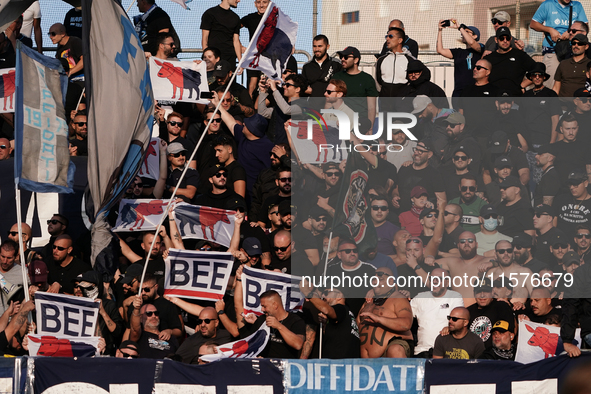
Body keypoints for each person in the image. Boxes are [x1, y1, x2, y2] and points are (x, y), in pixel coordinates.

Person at [357, 268, 414, 358]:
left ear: (390, 281)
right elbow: (357, 326)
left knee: (395, 349)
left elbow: (406, 324)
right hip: (368, 362)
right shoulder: (368, 300)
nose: (375, 282)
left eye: (380, 279)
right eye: (374, 279)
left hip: (392, 350)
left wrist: (379, 319)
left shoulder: (399, 298)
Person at [531, 0, 588, 89]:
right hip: (552, 49)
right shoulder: (547, 4)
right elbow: (533, 24)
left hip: (572, 50)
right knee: (551, 84)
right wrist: (550, 30)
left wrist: (569, 32)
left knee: (572, 83)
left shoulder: (577, 5)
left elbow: (585, 26)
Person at [410, 267, 464, 358]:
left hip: (446, 352)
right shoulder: (420, 297)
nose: (435, 282)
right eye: (432, 279)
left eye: (439, 279)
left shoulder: (455, 297)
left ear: (447, 282)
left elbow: (459, 320)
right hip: (422, 351)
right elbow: (404, 316)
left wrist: (449, 327)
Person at [239, 290, 305, 358]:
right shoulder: (262, 319)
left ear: (275, 305)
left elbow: (298, 345)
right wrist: (255, 356)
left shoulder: (295, 321)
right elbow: (250, 342)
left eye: (264, 306)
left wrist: (279, 326)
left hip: (285, 366)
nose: (262, 309)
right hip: (264, 365)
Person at [299, 285, 360, 359]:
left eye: (326, 292)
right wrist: (325, 325)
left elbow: (326, 309)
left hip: (338, 364)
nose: (323, 295)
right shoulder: (347, 314)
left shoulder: (341, 308)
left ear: (338, 296)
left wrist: (308, 293)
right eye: (322, 293)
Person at [435, 231, 491, 306]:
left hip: (478, 310)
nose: (466, 244)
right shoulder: (452, 262)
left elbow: (503, 260)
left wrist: (492, 263)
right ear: (458, 245)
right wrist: (430, 257)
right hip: (457, 310)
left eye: (470, 241)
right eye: (462, 241)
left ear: (476, 244)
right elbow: (431, 263)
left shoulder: (486, 260)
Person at [436, 20, 482, 102]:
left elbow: (472, 43)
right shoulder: (459, 52)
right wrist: (440, 30)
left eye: (467, 32)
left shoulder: (481, 49)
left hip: (474, 91)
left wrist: (460, 27)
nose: (462, 33)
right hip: (459, 92)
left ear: (475, 36)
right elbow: (440, 50)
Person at [484, 26, 536, 96]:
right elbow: (479, 75)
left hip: (515, 97)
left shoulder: (519, 55)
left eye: (507, 38)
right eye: (501, 38)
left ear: (511, 39)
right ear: (496, 40)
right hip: (494, 98)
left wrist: (522, 85)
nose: (505, 41)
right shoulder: (489, 58)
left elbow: (538, 70)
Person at [333, 46, 378, 125]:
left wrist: (370, 128)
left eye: (346, 57)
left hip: (360, 123)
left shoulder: (367, 79)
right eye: (341, 57)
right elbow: (329, 101)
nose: (342, 59)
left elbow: (371, 108)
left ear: (356, 60)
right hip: (339, 122)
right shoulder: (337, 77)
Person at [486, 240, 534, 305]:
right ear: (495, 254)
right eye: (501, 251)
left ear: (513, 253)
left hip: (517, 313)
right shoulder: (491, 273)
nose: (506, 254)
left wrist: (523, 305)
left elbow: (536, 298)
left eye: (509, 251)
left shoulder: (525, 272)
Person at [375, 26, 414, 104]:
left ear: (400, 40)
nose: (387, 39)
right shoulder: (381, 60)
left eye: (391, 36)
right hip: (384, 104)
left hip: (403, 105)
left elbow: (413, 82)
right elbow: (378, 82)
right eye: (386, 36)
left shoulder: (410, 60)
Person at [554, 169, 591, 239]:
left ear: (585, 183)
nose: (571, 187)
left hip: (582, 242)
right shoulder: (561, 199)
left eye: (575, 184)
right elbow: (553, 221)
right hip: (561, 243)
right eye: (570, 184)